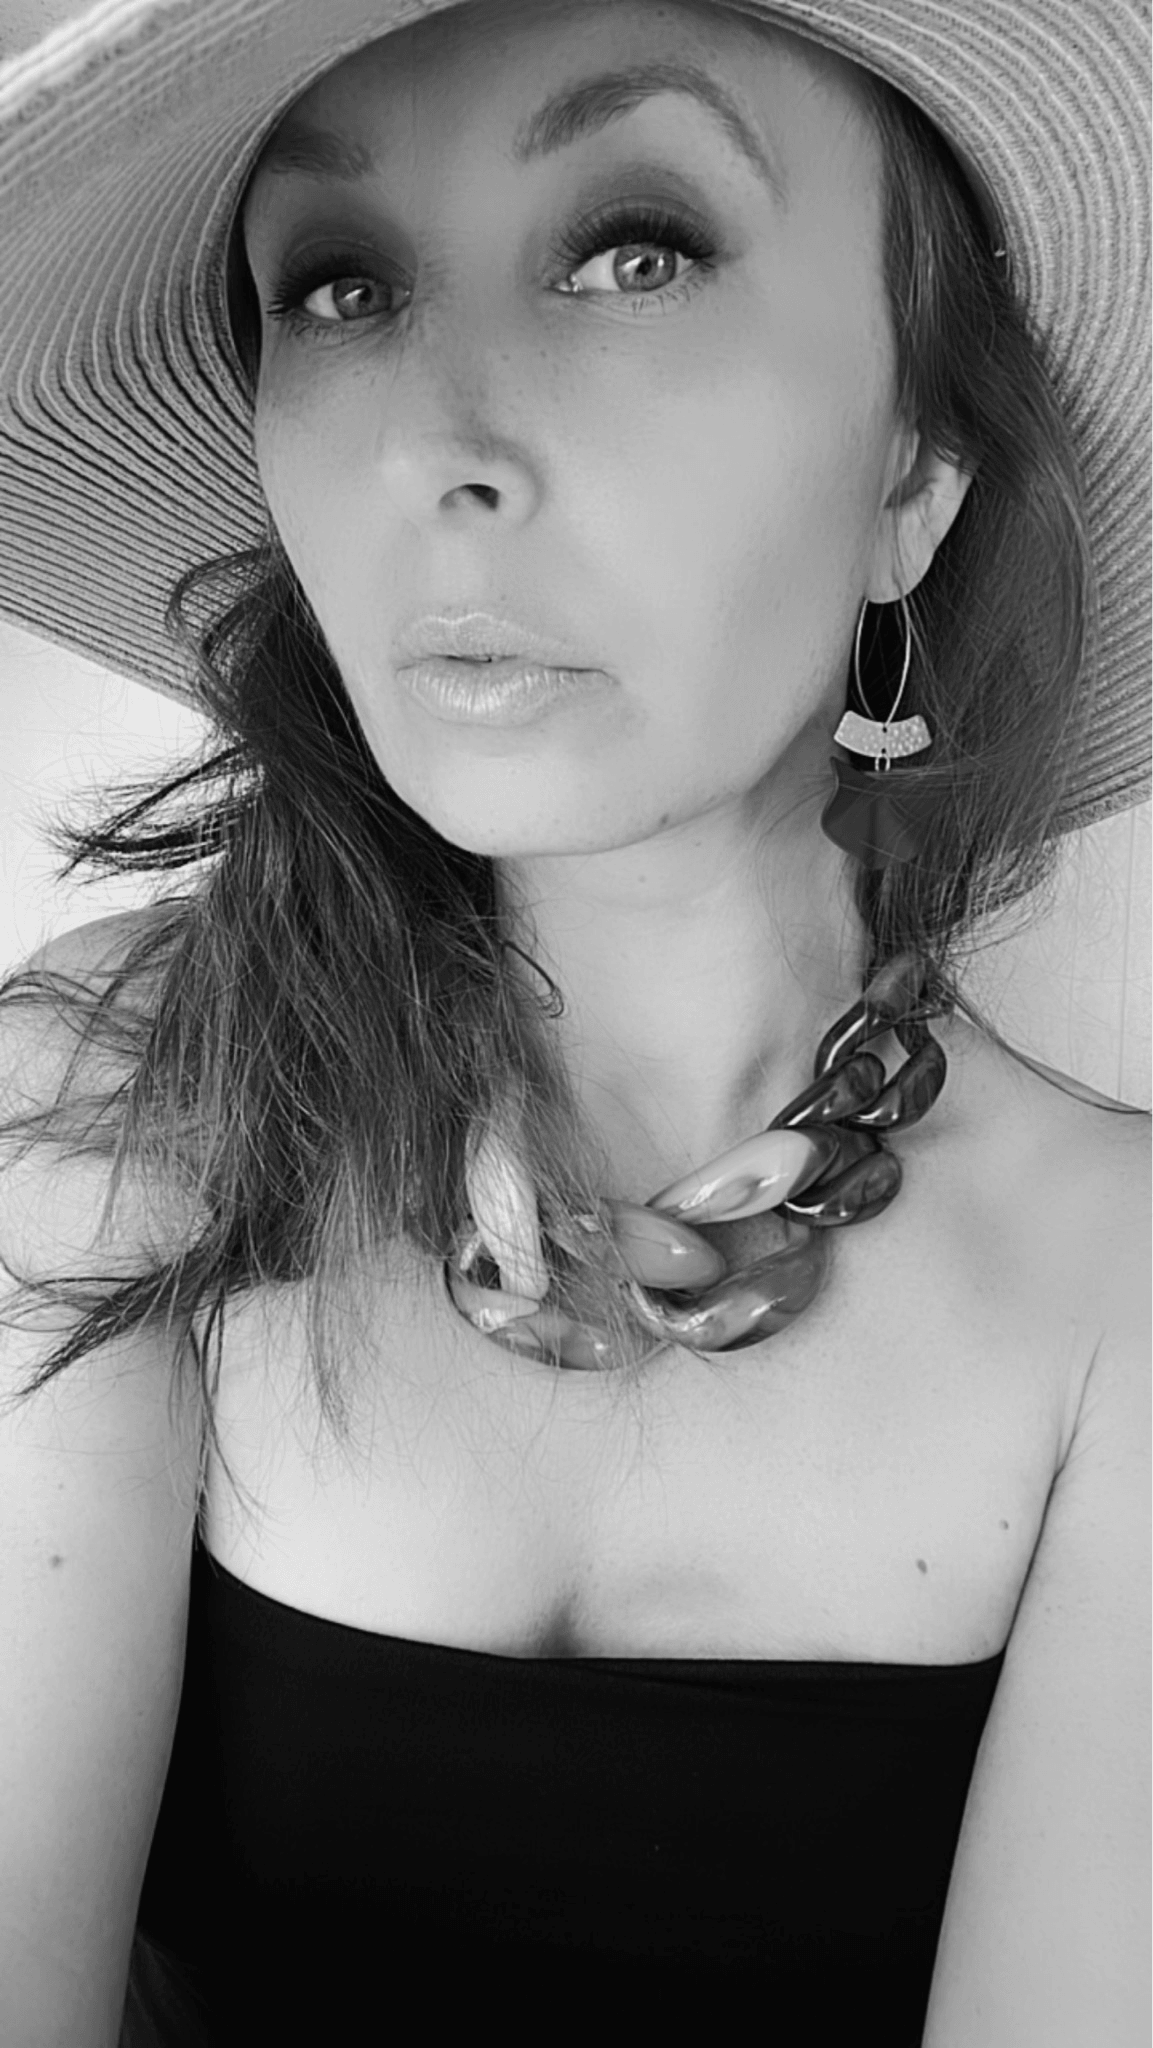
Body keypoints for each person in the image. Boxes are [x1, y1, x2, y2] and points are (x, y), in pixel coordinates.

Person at [0, 0, 1147, 2040]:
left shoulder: (1121, 1297)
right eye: (338, 285)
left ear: (913, 473)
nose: (431, 445)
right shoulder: (117, 1103)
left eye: (636, 250)